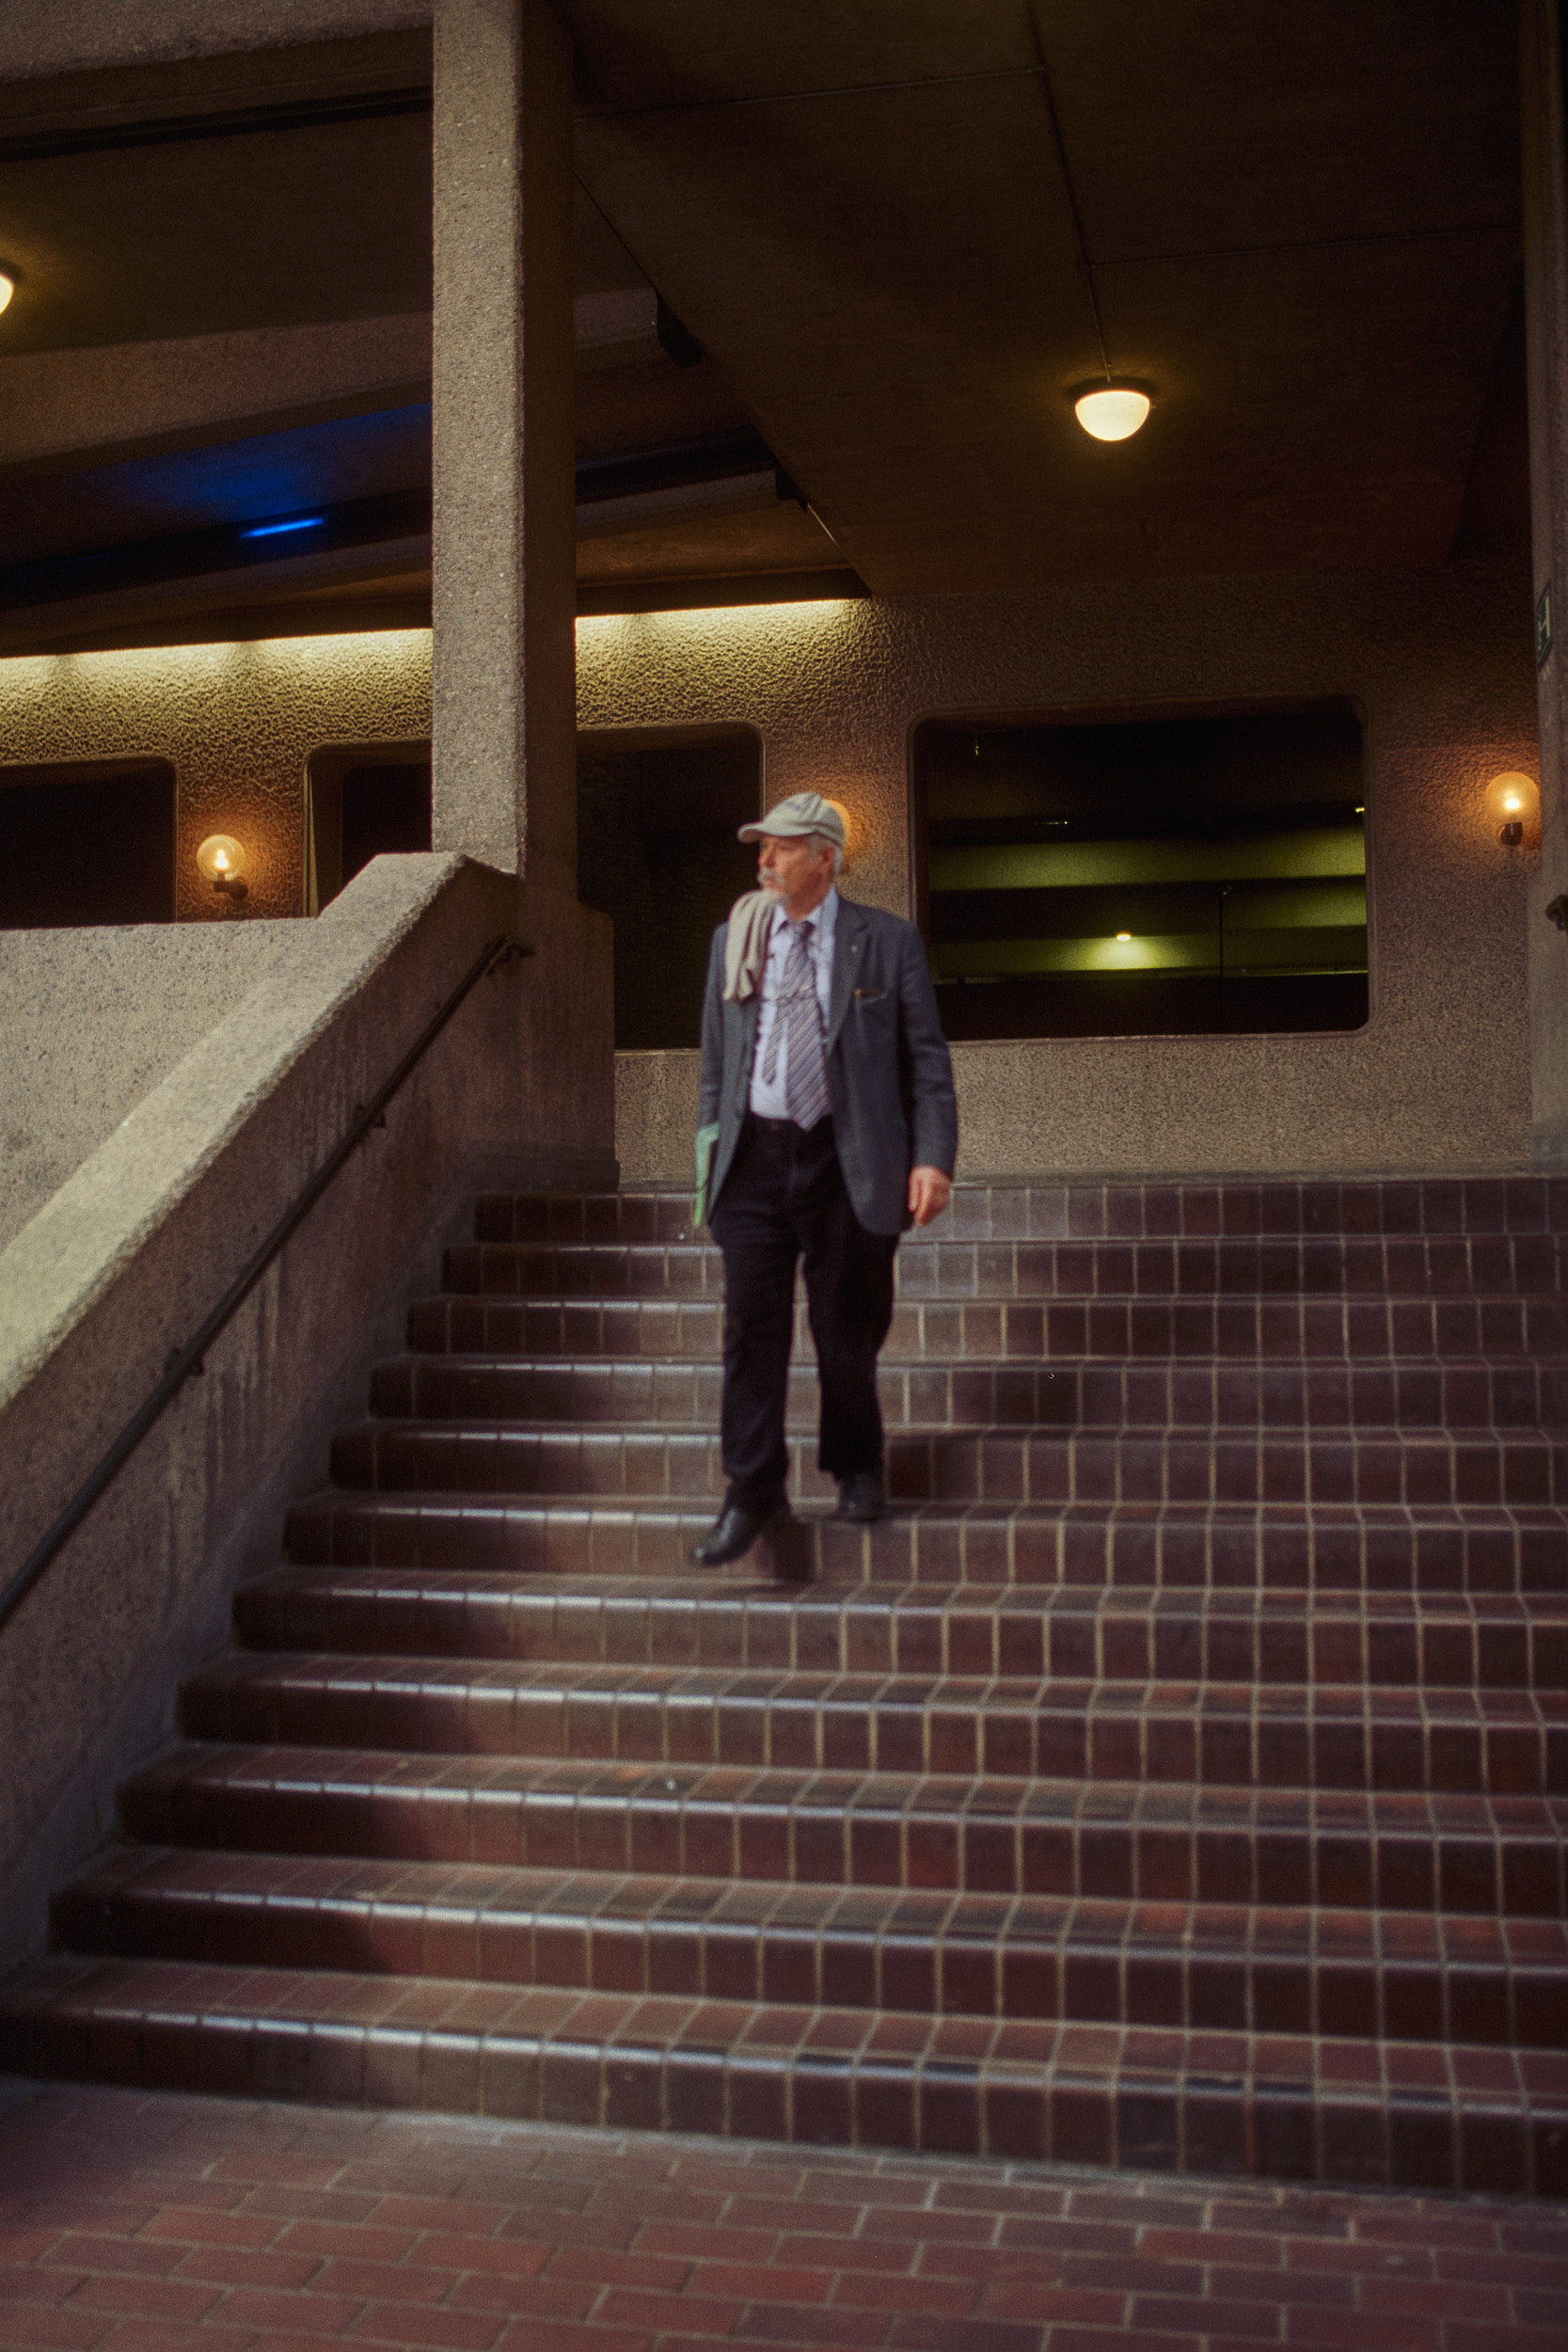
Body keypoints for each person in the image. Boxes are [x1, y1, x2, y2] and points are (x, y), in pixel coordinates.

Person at [690, 789, 958, 1566]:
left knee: (847, 1325)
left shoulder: (885, 942)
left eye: (777, 847)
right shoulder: (732, 939)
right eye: (760, 847)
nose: (762, 860)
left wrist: (932, 1158)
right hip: (753, 1161)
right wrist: (711, 1164)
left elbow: (926, 1063)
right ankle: (751, 1489)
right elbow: (717, 1064)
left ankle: (855, 1464)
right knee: (749, 1329)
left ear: (824, 857)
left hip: (849, 1157)